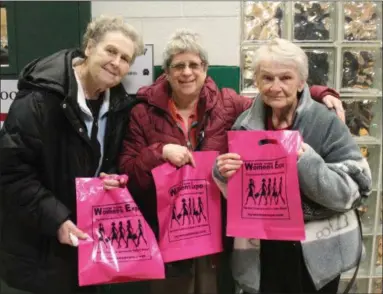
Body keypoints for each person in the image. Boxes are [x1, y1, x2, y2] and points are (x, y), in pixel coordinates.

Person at [118, 29, 344, 294]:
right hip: (167, 232)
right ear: (166, 72)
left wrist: (318, 93)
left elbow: (273, 97)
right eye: (178, 65)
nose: (187, 72)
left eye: (195, 64)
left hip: (216, 231)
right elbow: (129, 172)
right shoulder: (143, 111)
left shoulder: (228, 103)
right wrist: (160, 152)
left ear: (205, 68)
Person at [213, 38, 372, 294]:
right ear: (257, 81)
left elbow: (355, 189)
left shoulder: (325, 122)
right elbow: (240, 198)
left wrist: (307, 162)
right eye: (267, 78)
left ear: (301, 82)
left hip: (316, 255)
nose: (275, 87)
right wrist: (221, 173)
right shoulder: (244, 125)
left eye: (285, 78)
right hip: (263, 253)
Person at [0, 15, 144, 294]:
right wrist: (57, 220)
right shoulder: (40, 98)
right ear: (89, 47)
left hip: (87, 244)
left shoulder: (117, 104)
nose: (117, 62)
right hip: (39, 247)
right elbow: (11, 171)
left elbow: (105, 159)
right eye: (110, 51)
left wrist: (111, 176)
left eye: (125, 58)